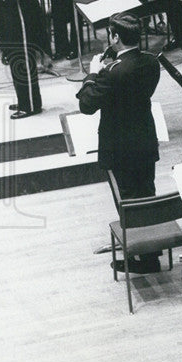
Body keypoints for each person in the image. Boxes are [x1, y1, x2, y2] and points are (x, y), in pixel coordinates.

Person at [77, 11, 160, 216]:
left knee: (126, 199)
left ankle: (135, 241)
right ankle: (154, 243)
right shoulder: (151, 62)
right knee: (147, 192)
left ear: (115, 38)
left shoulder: (111, 72)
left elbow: (86, 105)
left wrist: (93, 73)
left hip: (119, 146)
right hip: (145, 139)